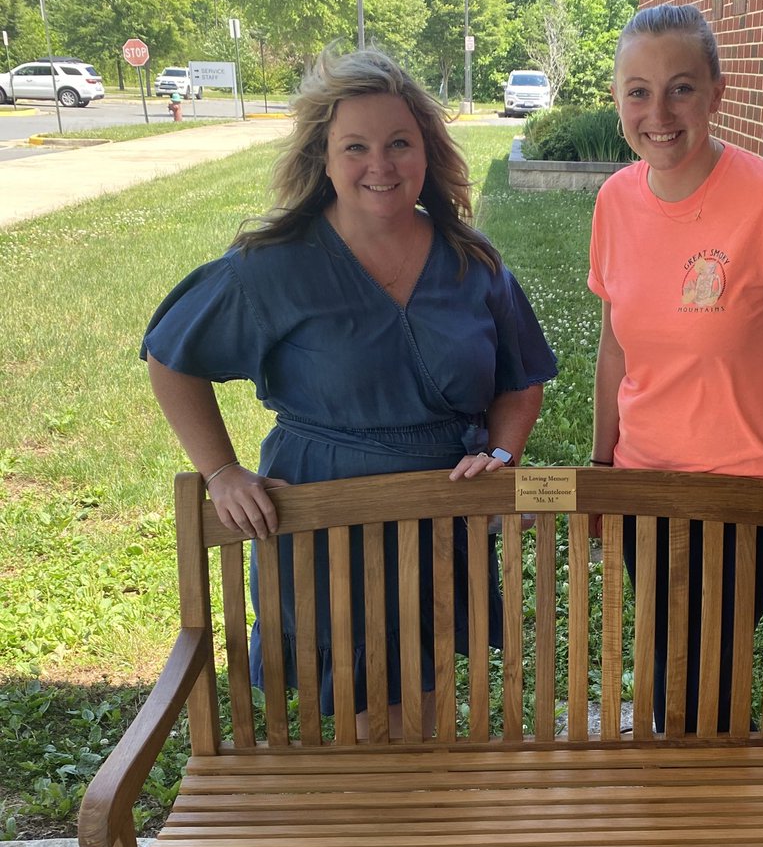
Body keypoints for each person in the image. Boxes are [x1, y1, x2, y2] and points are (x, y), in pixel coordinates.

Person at [143, 47, 557, 738]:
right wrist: (220, 470)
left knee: (424, 705)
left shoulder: (473, 264)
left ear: (425, 149)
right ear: (324, 159)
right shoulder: (271, 268)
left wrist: (503, 460)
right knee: (359, 714)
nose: (381, 165)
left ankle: (422, 834)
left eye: (400, 142)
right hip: (324, 515)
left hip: (439, 517)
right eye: (355, 146)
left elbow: (520, 383)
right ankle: (370, 834)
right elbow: (169, 357)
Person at [588, 3, 763, 732]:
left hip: (741, 498)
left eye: (681, 88)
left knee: (699, 684)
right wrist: (600, 463)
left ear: (717, 91)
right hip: (643, 487)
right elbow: (616, 344)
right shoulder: (615, 201)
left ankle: (694, 820)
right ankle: (678, 807)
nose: (659, 112)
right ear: (618, 98)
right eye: (638, 91)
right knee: (665, 659)